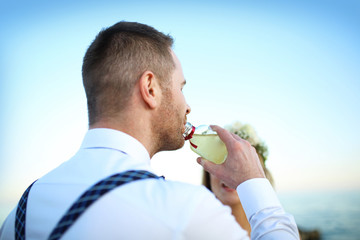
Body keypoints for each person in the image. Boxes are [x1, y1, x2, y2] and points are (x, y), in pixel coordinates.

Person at [0, 21, 300, 239]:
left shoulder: (17, 215)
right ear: (150, 88)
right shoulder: (182, 210)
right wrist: (255, 183)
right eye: (181, 87)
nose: (188, 106)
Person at [203, 122, 275, 236]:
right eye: (220, 159)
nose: (230, 170)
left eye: (240, 162)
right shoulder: (194, 229)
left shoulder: (275, 231)